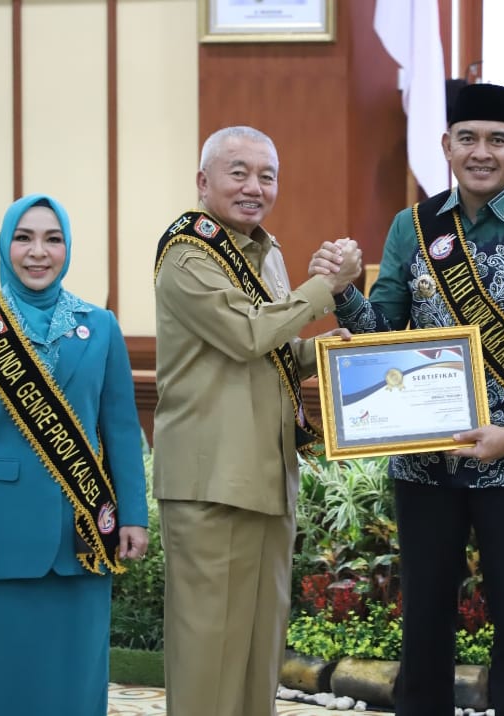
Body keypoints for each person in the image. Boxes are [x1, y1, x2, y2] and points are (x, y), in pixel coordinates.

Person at [310, 83, 504, 716]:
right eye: (467, 138)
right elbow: (383, 334)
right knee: (424, 617)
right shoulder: (411, 227)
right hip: (423, 462)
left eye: (497, 140)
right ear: (446, 146)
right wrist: (343, 292)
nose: (480, 152)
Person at [152, 125, 361, 716]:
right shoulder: (187, 253)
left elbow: (273, 350)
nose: (254, 187)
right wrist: (326, 287)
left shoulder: (265, 251)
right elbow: (247, 334)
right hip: (211, 480)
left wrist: (324, 351)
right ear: (203, 181)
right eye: (238, 172)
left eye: (267, 176)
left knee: (257, 650)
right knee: (207, 653)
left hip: (267, 476)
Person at [0, 193, 150, 716]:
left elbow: (122, 430)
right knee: (3, 678)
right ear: (5, 245)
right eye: (24, 238)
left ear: (68, 248)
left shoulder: (100, 326)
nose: (38, 252)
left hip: (83, 531)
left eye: (53, 239)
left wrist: (134, 515)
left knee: (76, 678)